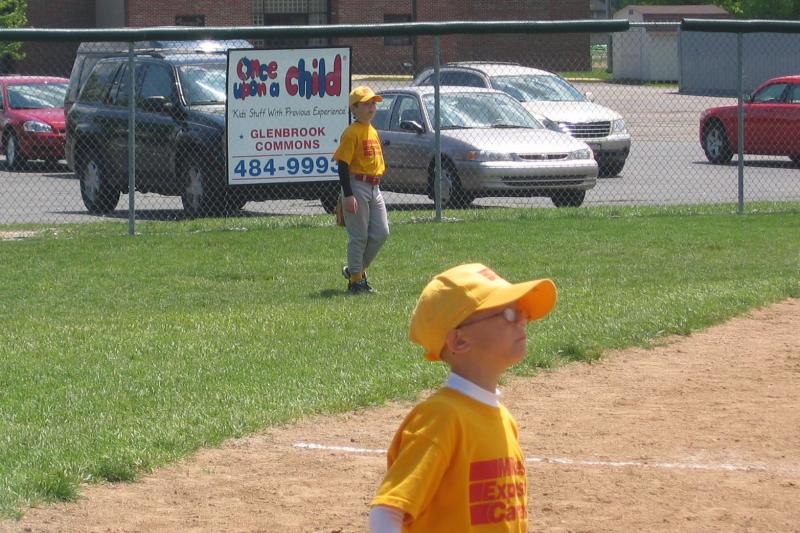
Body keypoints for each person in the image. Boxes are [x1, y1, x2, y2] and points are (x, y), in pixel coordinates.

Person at [369, 263, 558, 532]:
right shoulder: (441, 418)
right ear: (459, 341)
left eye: (521, 312)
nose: (521, 320)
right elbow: (386, 512)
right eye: (507, 313)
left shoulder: (504, 419)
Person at [333, 85, 389, 294]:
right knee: (359, 236)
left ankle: (354, 270)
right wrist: (348, 195)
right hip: (357, 185)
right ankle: (356, 281)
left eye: (373, 103)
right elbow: (342, 165)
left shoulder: (372, 131)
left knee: (381, 233)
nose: (371, 107)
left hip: (374, 187)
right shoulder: (351, 133)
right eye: (366, 104)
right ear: (354, 109)